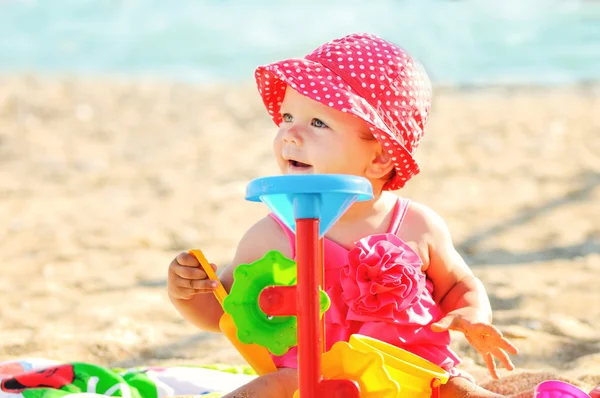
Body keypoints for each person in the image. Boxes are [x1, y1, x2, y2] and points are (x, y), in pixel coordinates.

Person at [167, 32, 519, 398]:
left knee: (459, 390)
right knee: (269, 388)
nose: (289, 134)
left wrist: (474, 317)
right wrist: (187, 293)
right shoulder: (271, 236)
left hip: (410, 374)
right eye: (287, 117)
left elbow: (458, 285)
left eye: (318, 123)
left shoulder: (417, 225)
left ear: (381, 157)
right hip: (309, 379)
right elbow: (224, 313)